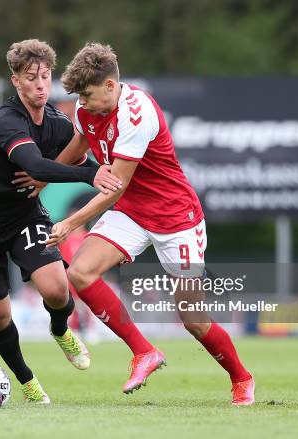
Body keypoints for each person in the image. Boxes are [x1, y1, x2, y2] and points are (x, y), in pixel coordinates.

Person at [45, 43, 255, 405]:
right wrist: (38, 178)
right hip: (131, 213)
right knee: (80, 274)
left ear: (111, 85)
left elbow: (114, 188)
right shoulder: (86, 108)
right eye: (81, 96)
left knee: (193, 320)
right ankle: (144, 352)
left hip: (176, 219)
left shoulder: (136, 114)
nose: (84, 103)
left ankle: (241, 378)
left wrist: (69, 223)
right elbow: (76, 153)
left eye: (90, 95)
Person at [0, 39, 123, 404]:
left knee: (58, 290)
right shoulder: (6, 121)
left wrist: (99, 161)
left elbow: (79, 150)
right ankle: (26, 380)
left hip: (24, 216)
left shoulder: (57, 123)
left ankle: (61, 330)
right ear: (16, 81)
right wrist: (91, 176)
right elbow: (37, 166)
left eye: (45, 76)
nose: (41, 84)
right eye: (31, 77)